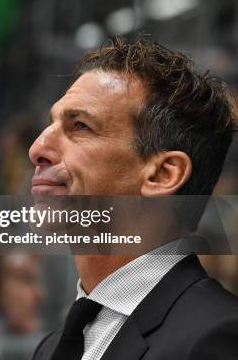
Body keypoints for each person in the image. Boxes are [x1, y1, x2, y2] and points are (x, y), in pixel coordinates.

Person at [30, 37, 238, 360]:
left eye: (80, 127)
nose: (37, 149)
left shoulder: (217, 340)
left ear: (162, 175)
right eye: (52, 124)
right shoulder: (50, 349)